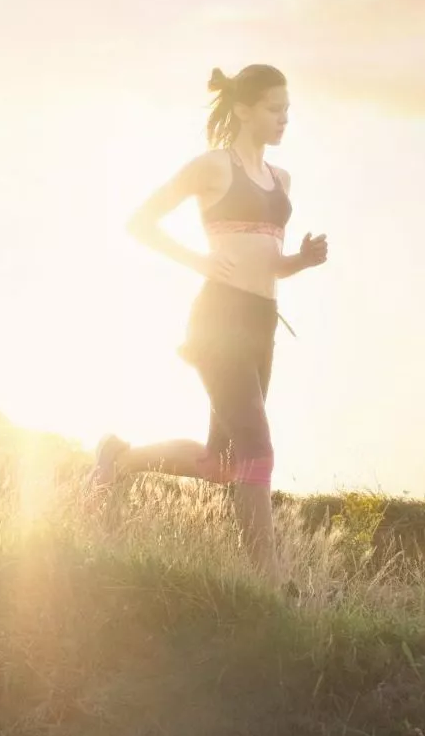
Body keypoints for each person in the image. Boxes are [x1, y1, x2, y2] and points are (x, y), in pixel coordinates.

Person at [87, 63, 328, 581]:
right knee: (258, 447)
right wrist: (197, 261)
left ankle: (118, 459)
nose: (285, 118)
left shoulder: (281, 179)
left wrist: (301, 261)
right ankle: (267, 581)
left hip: (263, 321)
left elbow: (269, 261)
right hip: (218, 320)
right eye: (274, 108)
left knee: (222, 464)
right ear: (243, 110)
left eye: (288, 109)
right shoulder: (213, 167)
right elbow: (139, 222)